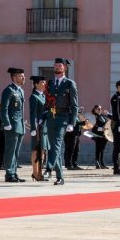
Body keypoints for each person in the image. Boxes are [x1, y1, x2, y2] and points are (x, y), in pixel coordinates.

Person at [46, 57, 78, 186]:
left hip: (63, 117)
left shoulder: (70, 83)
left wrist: (72, 122)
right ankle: (60, 177)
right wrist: (42, 116)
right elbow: (46, 102)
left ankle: (48, 168)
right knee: (54, 147)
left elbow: (74, 105)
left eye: (60, 65)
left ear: (65, 68)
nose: (57, 67)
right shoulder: (50, 83)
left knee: (57, 144)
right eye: (56, 65)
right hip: (51, 117)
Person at [0, 67, 26, 183]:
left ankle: (14, 171)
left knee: (16, 150)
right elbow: (3, 108)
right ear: (14, 77)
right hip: (12, 125)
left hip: (19, 124)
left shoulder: (20, 90)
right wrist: (6, 123)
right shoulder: (9, 90)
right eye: (21, 76)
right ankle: (9, 173)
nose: (23, 78)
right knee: (10, 150)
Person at [29, 76, 49, 181]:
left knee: (43, 150)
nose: (44, 84)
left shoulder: (44, 96)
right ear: (36, 84)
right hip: (38, 127)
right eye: (42, 82)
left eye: (45, 83)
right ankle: (35, 172)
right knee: (36, 150)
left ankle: (39, 172)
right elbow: (33, 114)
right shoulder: (34, 96)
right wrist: (33, 127)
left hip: (45, 127)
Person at [91, 104, 109, 169]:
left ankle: (102, 163)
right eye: (98, 109)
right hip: (97, 135)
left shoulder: (102, 116)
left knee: (102, 150)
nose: (100, 110)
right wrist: (102, 129)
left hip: (104, 135)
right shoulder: (94, 117)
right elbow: (94, 128)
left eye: (101, 109)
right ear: (95, 110)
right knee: (98, 149)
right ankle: (97, 164)